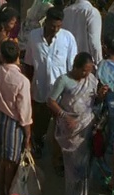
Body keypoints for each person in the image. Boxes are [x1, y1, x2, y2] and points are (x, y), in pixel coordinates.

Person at [47, 52, 107, 195]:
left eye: (89, 71)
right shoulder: (64, 80)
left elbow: (95, 101)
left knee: (87, 168)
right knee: (74, 171)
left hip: (87, 127)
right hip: (71, 132)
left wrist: (101, 95)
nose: (86, 74)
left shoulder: (91, 80)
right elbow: (51, 101)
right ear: (75, 67)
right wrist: (65, 116)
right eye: (83, 71)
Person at [24, 7, 78, 175]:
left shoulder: (68, 38)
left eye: (58, 26)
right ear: (45, 21)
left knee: (60, 128)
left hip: (60, 94)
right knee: (39, 124)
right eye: (52, 26)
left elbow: (72, 68)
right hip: (39, 90)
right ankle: (38, 144)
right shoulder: (33, 36)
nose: (55, 29)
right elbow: (29, 64)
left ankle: (58, 160)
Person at [0, 40, 32, 195]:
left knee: (2, 161)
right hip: (13, 124)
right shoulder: (22, 81)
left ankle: (1, 193)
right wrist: (27, 133)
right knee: (11, 163)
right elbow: (24, 110)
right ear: (18, 55)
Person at [62, 0, 102, 65]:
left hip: (68, 62)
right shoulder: (92, 12)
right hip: (85, 64)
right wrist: (99, 63)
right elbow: (94, 44)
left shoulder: (65, 11)